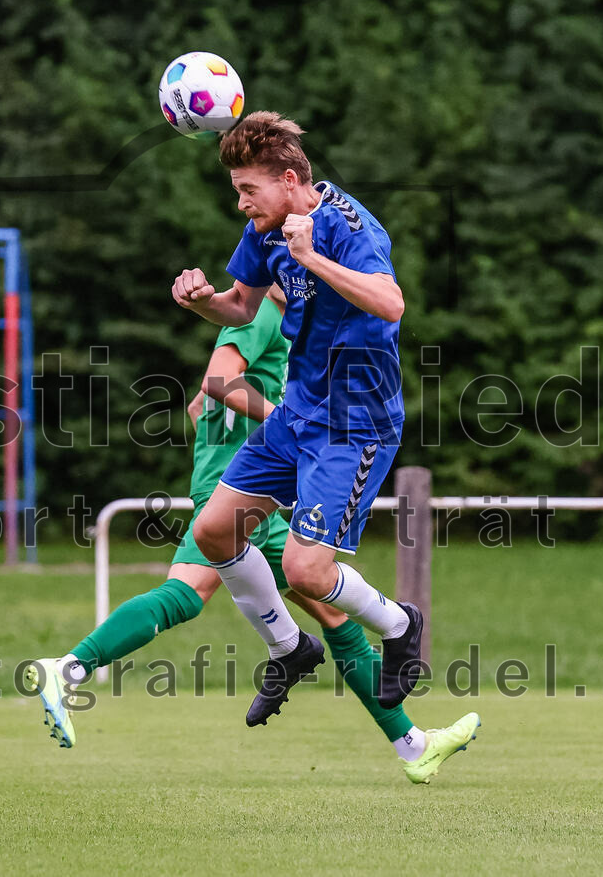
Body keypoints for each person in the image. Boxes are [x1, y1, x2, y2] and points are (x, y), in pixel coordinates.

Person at [27, 285, 479, 784]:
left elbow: (200, 406)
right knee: (204, 593)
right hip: (240, 490)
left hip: (245, 487)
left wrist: (233, 444)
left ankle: (408, 741)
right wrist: (288, 426)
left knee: (319, 606)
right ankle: (68, 668)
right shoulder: (261, 311)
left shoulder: (294, 326)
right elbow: (218, 382)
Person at [171, 111, 437, 728]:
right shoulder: (265, 230)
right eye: (236, 190)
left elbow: (391, 303)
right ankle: (289, 649)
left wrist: (312, 259)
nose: (240, 204)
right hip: (298, 413)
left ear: (290, 180)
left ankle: (401, 623)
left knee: (306, 570)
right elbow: (241, 306)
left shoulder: (348, 226)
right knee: (214, 532)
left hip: (355, 422)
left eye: (248, 190)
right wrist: (203, 300)